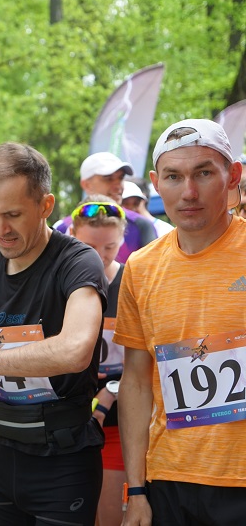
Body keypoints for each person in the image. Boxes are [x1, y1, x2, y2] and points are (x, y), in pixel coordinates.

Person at [0, 142, 108, 525]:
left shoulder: (78, 261)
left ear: (46, 206)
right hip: (2, 453)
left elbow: (75, 350)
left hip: (63, 460)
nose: (0, 229)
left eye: (12, 214)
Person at [114, 119, 246, 525]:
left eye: (203, 173)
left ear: (233, 176)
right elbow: (136, 383)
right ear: (156, 183)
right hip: (169, 482)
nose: (188, 192)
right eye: (173, 177)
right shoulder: (140, 267)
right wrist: (136, 489)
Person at [69, 195, 128, 526]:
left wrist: (110, 394)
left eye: (110, 247)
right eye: (89, 247)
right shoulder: (61, 281)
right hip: (70, 420)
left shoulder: (131, 283)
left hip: (117, 423)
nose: (100, 256)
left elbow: (145, 359)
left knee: (109, 517)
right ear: (72, 235)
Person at [53, 152, 157, 261]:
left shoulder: (141, 225)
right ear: (86, 185)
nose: (118, 186)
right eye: (109, 179)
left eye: (121, 178)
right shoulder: (62, 227)